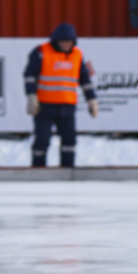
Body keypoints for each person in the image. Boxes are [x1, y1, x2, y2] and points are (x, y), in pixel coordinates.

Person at [23, 23, 98, 168]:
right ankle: (38, 172)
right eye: (63, 42)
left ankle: (67, 172)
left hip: (67, 107)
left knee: (69, 140)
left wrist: (92, 99)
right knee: (42, 140)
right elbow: (29, 75)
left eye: (69, 42)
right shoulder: (41, 52)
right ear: (56, 41)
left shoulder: (77, 54)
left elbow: (85, 79)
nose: (66, 45)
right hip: (45, 106)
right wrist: (31, 96)